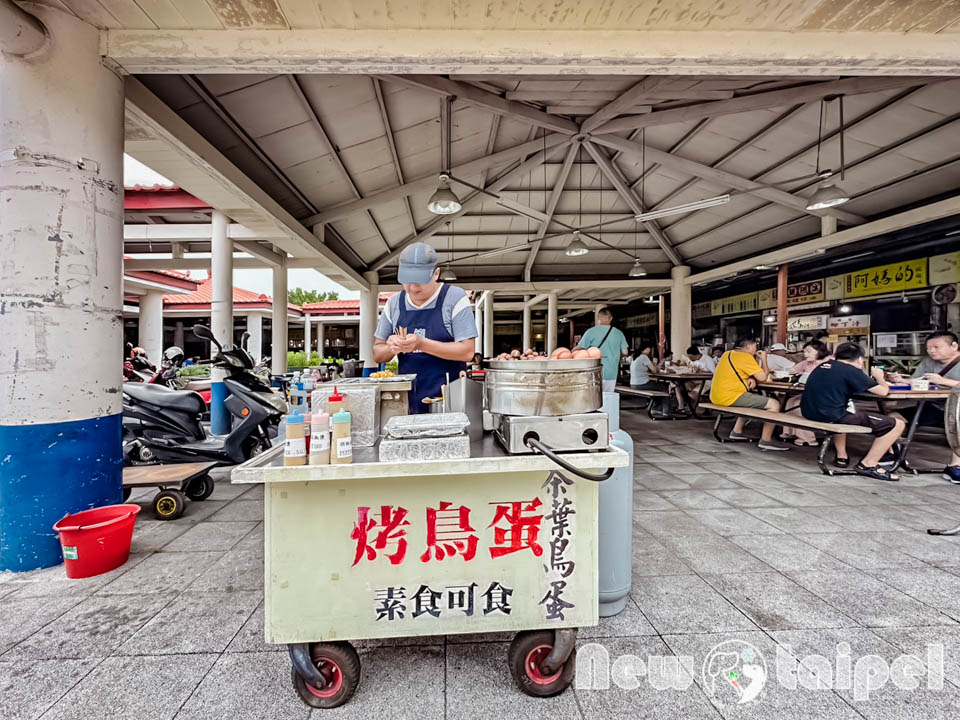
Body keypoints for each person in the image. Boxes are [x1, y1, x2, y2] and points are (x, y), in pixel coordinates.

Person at [372, 243, 477, 413]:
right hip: (407, 401)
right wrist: (392, 347)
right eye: (407, 281)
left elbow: (467, 351)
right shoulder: (394, 304)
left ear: (436, 273)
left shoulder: (454, 298)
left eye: (420, 280)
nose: (413, 288)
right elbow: (377, 354)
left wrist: (421, 344)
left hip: (450, 401)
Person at [801, 342, 905, 481]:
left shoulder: (823, 366)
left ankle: (883, 455)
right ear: (860, 359)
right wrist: (879, 376)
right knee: (897, 424)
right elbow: (883, 391)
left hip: (810, 413)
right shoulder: (850, 370)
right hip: (832, 415)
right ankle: (868, 464)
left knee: (853, 412)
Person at [710, 337, 790, 451]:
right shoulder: (745, 357)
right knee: (774, 404)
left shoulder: (727, 354)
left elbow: (743, 371)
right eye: (755, 346)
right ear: (748, 347)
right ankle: (766, 440)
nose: (756, 349)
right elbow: (763, 377)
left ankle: (737, 431)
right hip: (730, 397)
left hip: (716, 396)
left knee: (750, 400)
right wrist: (764, 359)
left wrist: (751, 378)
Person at [901, 331, 960, 483]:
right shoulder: (928, 362)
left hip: (956, 409)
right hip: (933, 406)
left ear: (954, 346)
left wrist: (944, 381)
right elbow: (917, 380)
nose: (931, 351)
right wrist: (903, 381)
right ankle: (892, 456)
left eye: (936, 347)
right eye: (928, 348)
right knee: (894, 418)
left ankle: (955, 466)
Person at [780, 340, 831, 447]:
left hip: (825, 396)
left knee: (799, 404)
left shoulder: (828, 363)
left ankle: (807, 439)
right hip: (810, 393)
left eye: (808, 351)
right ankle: (790, 432)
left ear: (819, 351)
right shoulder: (806, 363)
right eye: (804, 351)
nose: (805, 354)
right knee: (791, 401)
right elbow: (791, 370)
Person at [573, 307, 628, 393]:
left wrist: (570, 352)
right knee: (608, 397)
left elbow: (579, 348)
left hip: (594, 371)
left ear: (598, 319)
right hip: (611, 372)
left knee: (594, 397)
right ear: (611, 318)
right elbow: (625, 352)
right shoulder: (619, 333)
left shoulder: (591, 332)